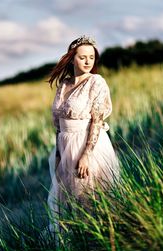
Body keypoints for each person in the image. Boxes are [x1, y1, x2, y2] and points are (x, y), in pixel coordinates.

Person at [46, 35, 120, 240]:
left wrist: (86, 154)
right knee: (67, 199)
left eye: (92, 57)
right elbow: (59, 126)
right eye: (83, 57)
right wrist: (58, 154)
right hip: (65, 147)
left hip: (88, 145)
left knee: (90, 197)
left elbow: (97, 121)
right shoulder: (64, 84)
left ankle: (99, 241)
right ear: (72, 59)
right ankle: (75, 242)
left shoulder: (96, 82)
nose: (88, 62)